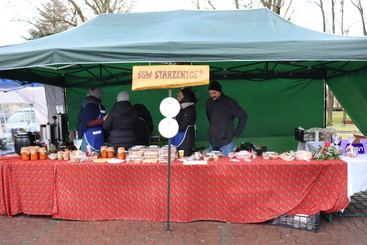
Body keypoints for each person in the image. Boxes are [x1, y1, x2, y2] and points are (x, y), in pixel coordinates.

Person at [206, 81, 248, 156]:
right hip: (212, 141)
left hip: (226, 142)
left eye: (214, 93)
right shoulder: (208, 102)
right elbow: (210, 119)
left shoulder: (229, 102)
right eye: (210, 93)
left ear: (219, 91)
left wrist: (237, 133)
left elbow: (243, 116)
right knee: (210, 166)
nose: (212, 95)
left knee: (226, 166)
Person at [76, 87, 106, 152]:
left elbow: (81, 123)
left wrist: (79, 137)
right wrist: (103, 120)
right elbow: (86, 123)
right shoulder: (91, 106)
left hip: (93, 138)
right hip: (90, 139)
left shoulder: (88, 105)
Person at [172, 87, 197, 156]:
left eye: (180, 96)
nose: (178, 97)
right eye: (178, 96)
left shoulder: (189, 108)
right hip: (178, 136)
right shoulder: (180, 107)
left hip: (185, 138)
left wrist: (171, 127)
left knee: (183, 158)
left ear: (186, 97)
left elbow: (182, 126)